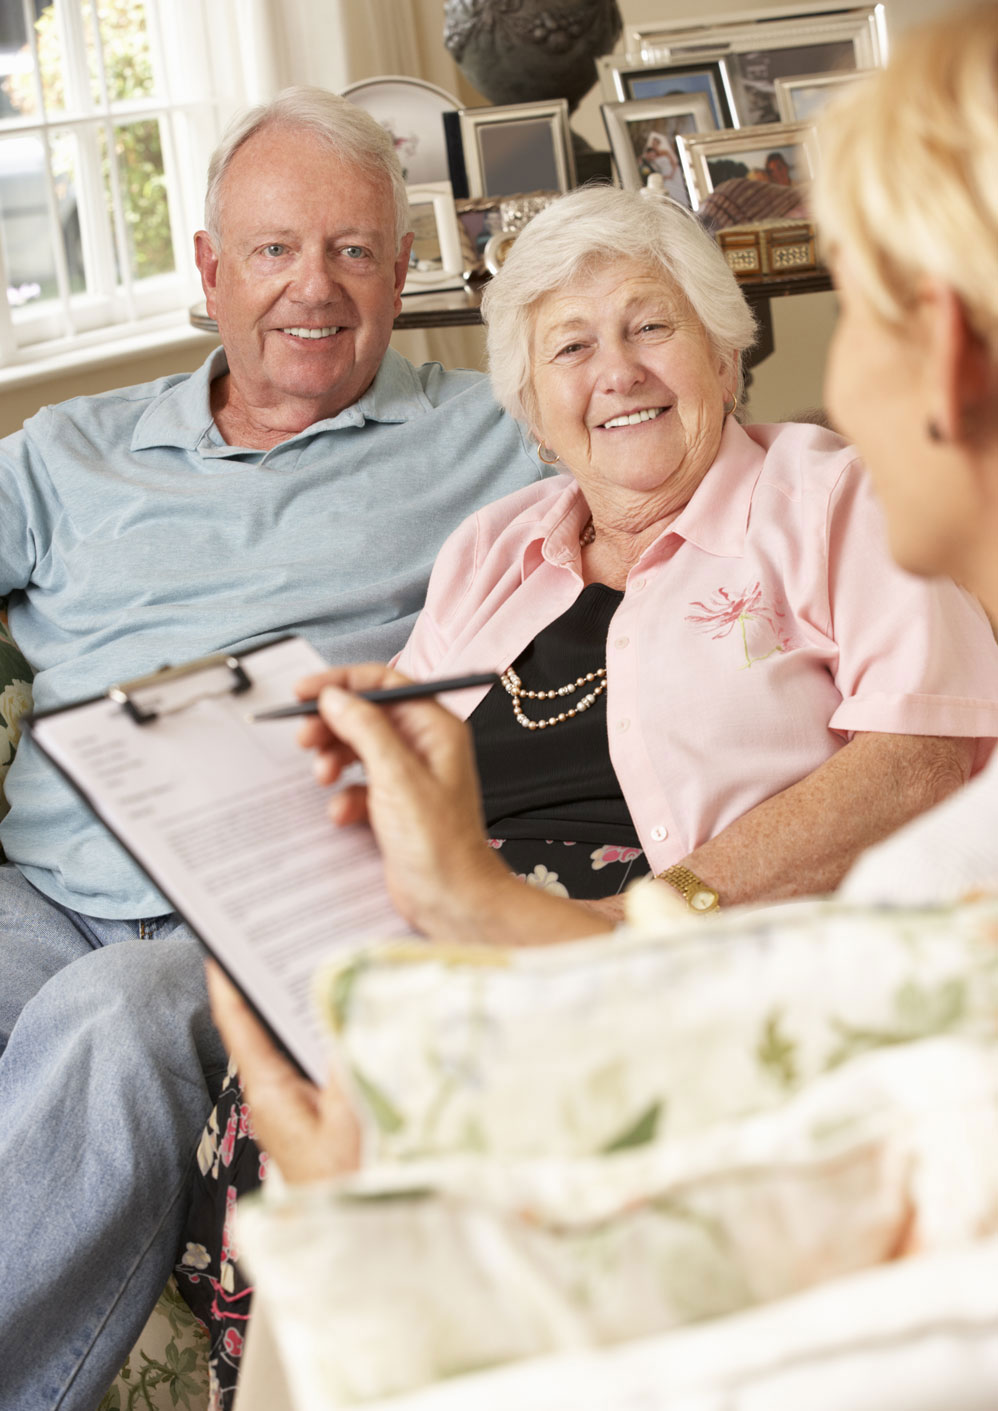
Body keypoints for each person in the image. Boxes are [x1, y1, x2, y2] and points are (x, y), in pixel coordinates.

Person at [194, 65, 998, 1389]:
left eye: (651, 328)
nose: (614, 372)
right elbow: (403, 766)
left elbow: (918, 755)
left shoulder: (828, 498)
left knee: (379, 1132)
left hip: (673, 931)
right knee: (303, 1085)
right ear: (528, 394)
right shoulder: (492, 549)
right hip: (483, 936)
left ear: (726, 342)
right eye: (570, 346)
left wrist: (634, 922)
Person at [0, 87, 549, 1411]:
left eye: (353, 249)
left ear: (402, 265)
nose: (315, 287)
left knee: (113, 1027)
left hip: (262, 907)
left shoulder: (493, 432)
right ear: (207, 269)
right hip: (44, 887)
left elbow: (693, 453)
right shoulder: (71, 451)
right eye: (273, 249)